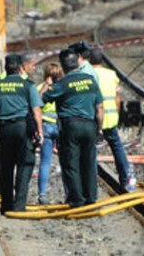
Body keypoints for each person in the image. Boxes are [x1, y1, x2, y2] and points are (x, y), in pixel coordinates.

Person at [43, 49, 103, 208]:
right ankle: (91, 197)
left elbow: (41, 100)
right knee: (89, 163)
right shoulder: (90, 80)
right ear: (77, 61)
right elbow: (100, 108)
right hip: (90, 125)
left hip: (71, 126)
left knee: (71, 164)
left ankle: (77, 200)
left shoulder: (62, 84)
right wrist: (99, 129)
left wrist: (47, 84)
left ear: (63, 66)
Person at [0, 53, 42, 214]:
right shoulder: (28, 85)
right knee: (25, 164)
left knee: (7, 166)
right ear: (20, 67)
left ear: (6, 68)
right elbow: (36, 111)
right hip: (23, 127)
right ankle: (19, 205)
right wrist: (40, 131)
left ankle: (6, 205)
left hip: (4, 129)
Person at [88, 50, 136, 193]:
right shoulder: (111, 74)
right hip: (111, 118)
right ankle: (125, 178)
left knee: (91, 149)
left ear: (89, 60)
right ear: (102, 61)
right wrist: (117, 114)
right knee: (117, 147)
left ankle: (91, 184)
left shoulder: (88, 74)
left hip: (95, 118)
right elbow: (117, 98)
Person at [36, 62, 64, 205]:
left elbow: (36, 104)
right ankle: (69, 192)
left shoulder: (40, 88)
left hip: (46, 127)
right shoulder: (62, 88)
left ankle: (42, 194)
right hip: (60, 127)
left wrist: (46, 86)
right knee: (65, 162)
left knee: (45, 162)